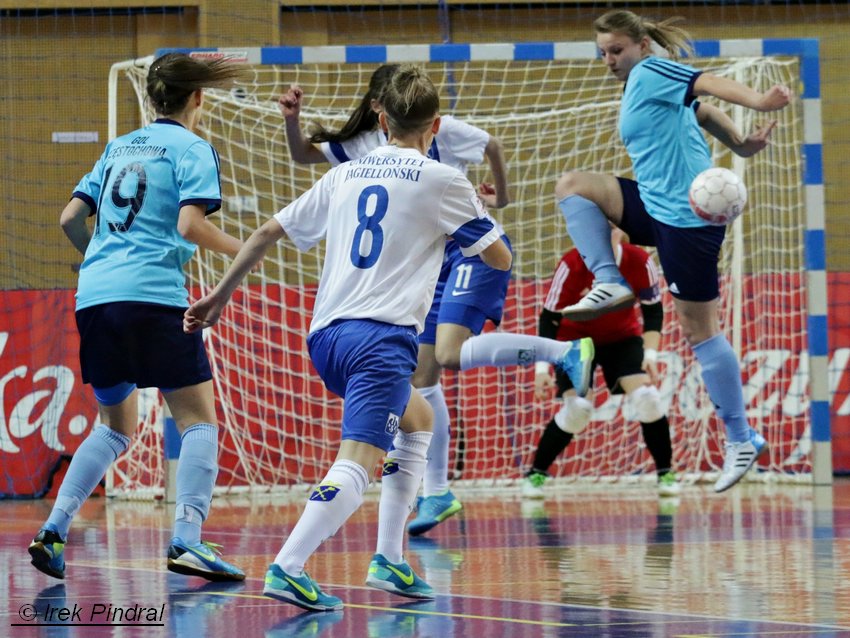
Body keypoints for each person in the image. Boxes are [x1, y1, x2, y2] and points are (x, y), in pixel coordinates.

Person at [184, 65, 512, 612]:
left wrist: (218, 297)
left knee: (419, 419)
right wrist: (461, 226)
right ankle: (288, 567)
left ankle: (390, 558)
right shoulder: (443, 180)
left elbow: (266, 232)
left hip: (325, 336)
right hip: (381, 338)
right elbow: (497, 257)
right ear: (436, 125)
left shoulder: (347, 173)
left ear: (382, 120)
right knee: (358, 460)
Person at [279, 68, 592, 537]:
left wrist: (501, 199)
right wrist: (292, 120)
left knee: (446, 354)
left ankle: (563, 351)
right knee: (422, 383)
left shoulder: (435, 131)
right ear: (378, 109)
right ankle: (437, 492)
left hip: (471, 249)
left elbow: (492, 146)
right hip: (422, 268)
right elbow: (303, 153)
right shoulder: (363, 146)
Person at [28, 53, 248, 581]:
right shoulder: (193, 148)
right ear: (198, 97)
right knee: (197, 420)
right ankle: (187, 540)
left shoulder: (118, 148)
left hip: (95, 298)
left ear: (152, 99)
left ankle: (53, 530)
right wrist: (246, 250)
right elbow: (191, 226)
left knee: (115, 426)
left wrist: (103, 261)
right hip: (154, 296)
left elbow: (70, 218)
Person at [556, 10, 791, 492]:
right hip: (655, 206)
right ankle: (610, 280)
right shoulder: (638, 87)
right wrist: (740, 145)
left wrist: (758, 102)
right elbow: (701, 112)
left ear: (642, 45)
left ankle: (741, 439)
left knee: (700, 331)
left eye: (617, 50)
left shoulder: (651, 70)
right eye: (603, 52)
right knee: (574, 186)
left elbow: (708, 84)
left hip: (686, 221)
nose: (609, 60)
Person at [522, 228, 680, 499]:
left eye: (608, 227)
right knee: (579, 408)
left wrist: (650, 356)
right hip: (575, 341)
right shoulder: (572, 264)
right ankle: (536, 474)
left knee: (648, 398)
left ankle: (666, 473)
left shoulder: (640, 262)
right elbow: (549, 319)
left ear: (620, 231)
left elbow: (653, 312)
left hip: (622, 339)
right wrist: (541, 369)